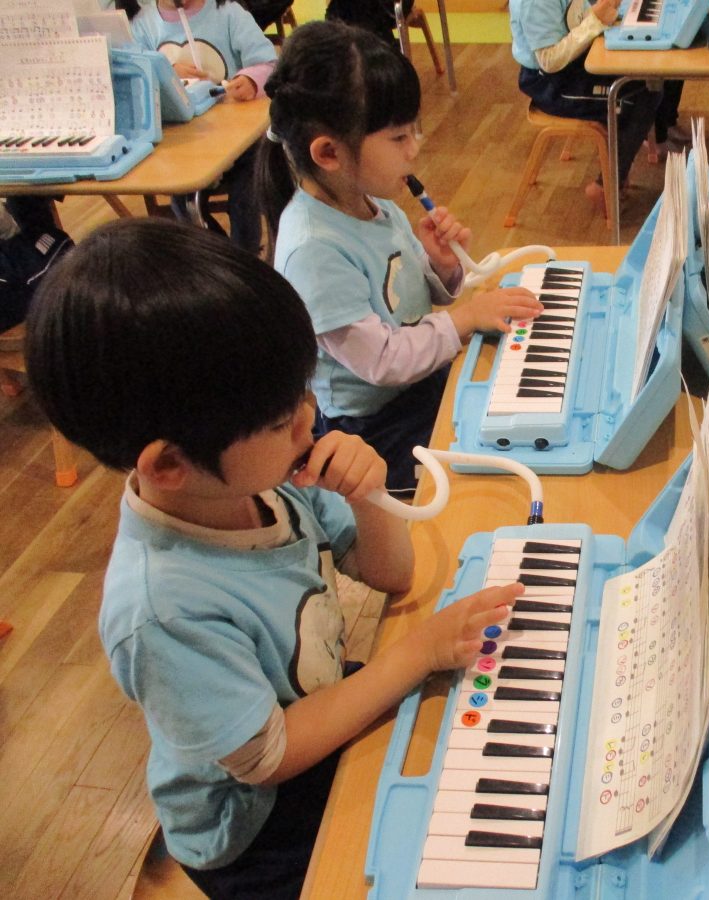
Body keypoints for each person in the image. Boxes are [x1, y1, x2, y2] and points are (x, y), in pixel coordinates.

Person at [23, 218, 523, 900]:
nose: (309, 420)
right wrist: (417, 653)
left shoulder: (259, 478)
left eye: (302, 393)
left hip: (312, 708)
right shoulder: (160, 609)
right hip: (256, 828)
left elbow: (391, 573)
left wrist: (369, 495)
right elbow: (267, 756)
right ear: (168, 465)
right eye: (279, 419)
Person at [257, 22, 542, 493]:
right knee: (497, 476)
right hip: (376, 433)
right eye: (398, 138)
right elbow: (383, 361)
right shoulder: (313, 250)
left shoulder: (371, 201)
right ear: (328, 153)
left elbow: (407, 299)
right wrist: (464, 318)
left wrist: (440, 264)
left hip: (421, 383)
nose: (416, 147)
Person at [127, 0, 277, 254]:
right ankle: (218, 254)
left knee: (246, 195)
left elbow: (269, 63)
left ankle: (245, 254)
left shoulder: (228, 13)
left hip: (239, 142)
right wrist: (165, 72)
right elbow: (134, 73)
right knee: (181, 200)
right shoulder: (144, 24)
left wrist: (251, 80)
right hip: (183, 147)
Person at [509, 0, 662, 211]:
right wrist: (595, 21)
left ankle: (627, 146)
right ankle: (608, 184)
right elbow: (549, 60)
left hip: (575, 61)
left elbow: (578, 16)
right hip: (551, 83)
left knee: (649, 76)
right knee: (639, 95)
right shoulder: (535, 3)